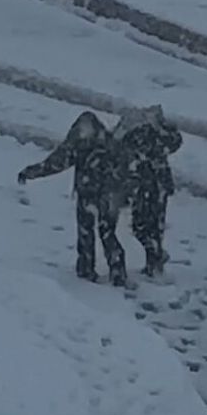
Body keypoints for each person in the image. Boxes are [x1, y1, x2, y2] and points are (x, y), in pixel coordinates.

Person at [17, 111, 128, 287]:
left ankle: (86, 269)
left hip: (88, 192)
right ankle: (117, 271)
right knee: (108, 233)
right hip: (110, 194)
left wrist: (32, 172)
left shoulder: (79, 144)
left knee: (86, 231)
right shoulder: (108, 141)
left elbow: (56, 163)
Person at [113, 105, 182, 277]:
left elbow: (174, 142)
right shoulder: (140, 136)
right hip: (148, 186)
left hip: (151, 186)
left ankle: (155, 260)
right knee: (147, 226)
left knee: (148, 226)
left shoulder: (154, 135)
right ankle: (155, 258)